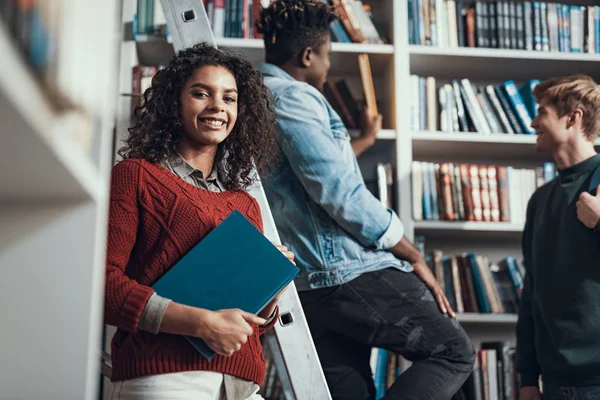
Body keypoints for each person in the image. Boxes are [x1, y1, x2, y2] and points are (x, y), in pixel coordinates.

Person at [257, 1, 475, 399]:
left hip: (311, 284)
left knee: (350, 391)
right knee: (453, 352)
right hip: (340, 273)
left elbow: (308, 173)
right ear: (308, 55)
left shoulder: (258, 98)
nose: (327, 67)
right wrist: (411, 252)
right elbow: (337, 190)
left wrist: (365, 141)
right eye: (327, 56)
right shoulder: (292, 98)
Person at [104, 43, 294, 400]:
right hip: (166, 379)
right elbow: (104, 287)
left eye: (229, 98)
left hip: (240, 385)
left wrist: (270, 287)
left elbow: (243, 324)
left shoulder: (244, 203)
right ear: (174, 102)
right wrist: (202, 323)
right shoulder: (136, 176)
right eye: (201, 93)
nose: (217, 107)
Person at [517, 75, 600, 400]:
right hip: (554, 386)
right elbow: (531, 294)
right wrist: (527, 379)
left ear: (573, 117)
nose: (533, 121)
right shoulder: (539, 201)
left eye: (542, 113)